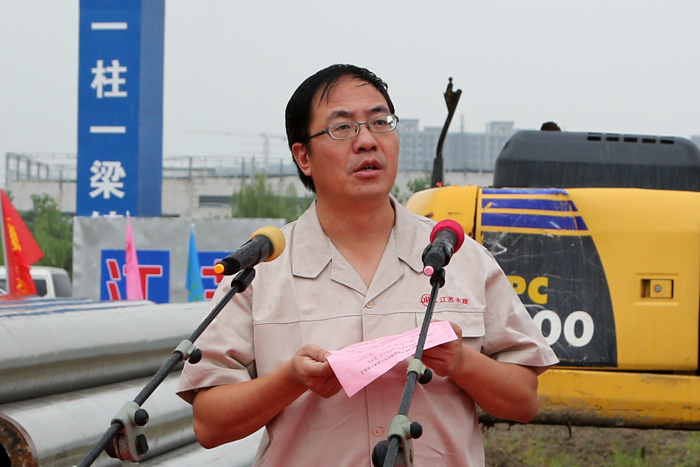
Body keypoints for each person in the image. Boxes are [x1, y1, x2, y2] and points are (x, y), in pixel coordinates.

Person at [177, 64, 558, 466]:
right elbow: (210, 424)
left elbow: (524, 401)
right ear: (303, 156)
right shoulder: (265, 270)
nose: (367, 141)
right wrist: (290, 380)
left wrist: (462, 362)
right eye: (342, 128)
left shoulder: (457, 255)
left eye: (380, 122)